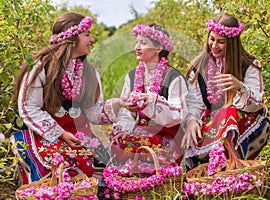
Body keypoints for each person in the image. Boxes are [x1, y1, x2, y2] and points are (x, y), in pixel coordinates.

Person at [11, 12, 126, 184]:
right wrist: (61, 134)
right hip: (48, 134)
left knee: (107, 171)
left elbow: (93, 112)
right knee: (58, 169)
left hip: (78, 135)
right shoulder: (41, 66)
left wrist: (119, 104)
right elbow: (28, 107)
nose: (92, 39)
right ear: (71, 37)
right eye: (87, 34)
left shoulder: (89, 72)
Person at [181, 13, 270, 168]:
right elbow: (194, 103)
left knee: (227, 112)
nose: (214, 46)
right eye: (212, 39)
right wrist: (192, 120)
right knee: (181, 124)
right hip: (211, 120)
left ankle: (234, 168)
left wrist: (240, 88)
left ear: (232, 43)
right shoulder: (200, 66)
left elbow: (257, 104)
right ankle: (200, 168)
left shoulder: (249, 64)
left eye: (221, 42)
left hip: (244, 119)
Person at [110, 22, 189, 165]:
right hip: (140, 131)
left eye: (143, 43)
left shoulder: (173, 76)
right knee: (120, 144)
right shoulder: (132, 75)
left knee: (151, 151)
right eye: (137, 42)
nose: (137, 48)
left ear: (159, 48)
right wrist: (126, 130)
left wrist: (152, 99)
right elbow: (126, 111)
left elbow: (179, 113)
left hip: (166, 134)